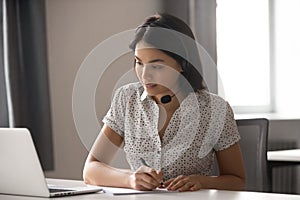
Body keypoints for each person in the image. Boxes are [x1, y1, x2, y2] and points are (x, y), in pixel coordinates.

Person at [83, 13, 246, 192]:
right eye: (139, 62)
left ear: (183, 63)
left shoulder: (215, 110)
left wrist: (201, 182)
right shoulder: (127, 98)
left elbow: (237, 180)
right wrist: (130, 179)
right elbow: (91, 170)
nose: (145, 75)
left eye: (157, 66)